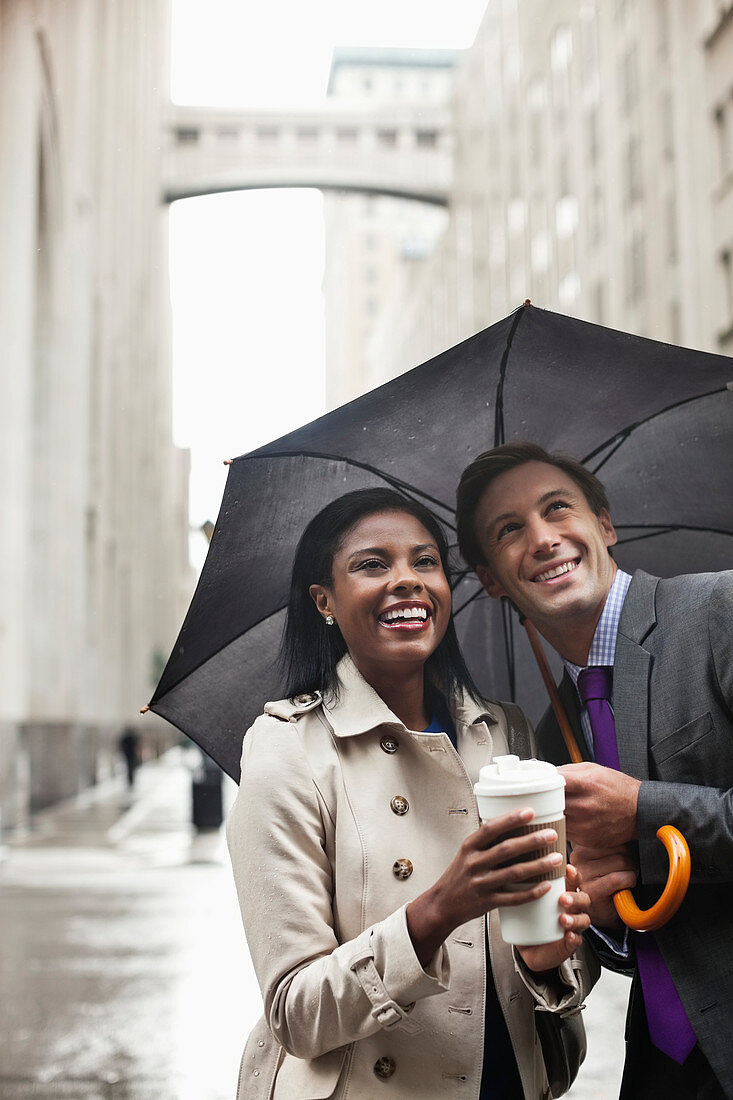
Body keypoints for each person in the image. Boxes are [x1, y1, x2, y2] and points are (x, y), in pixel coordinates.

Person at [227, 487, 595, 1099]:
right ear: (325, 601)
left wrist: (548, 954)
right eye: (373, 565)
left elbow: (559, 970)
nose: (408, 581)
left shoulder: (505, 730)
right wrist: (438, 909)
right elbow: (294, 1012)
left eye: (426, 562)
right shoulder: (287, 747)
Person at [455, 441, 733, 1100]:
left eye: (557, 510)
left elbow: (646, 819)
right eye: (508, 530)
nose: (543, 538)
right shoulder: (549, 734)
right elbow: (627, 925)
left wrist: (645, 810)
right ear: (492, 578)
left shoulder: (719, 612)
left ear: (603, 526)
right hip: (665, 1063)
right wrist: (604, 920)